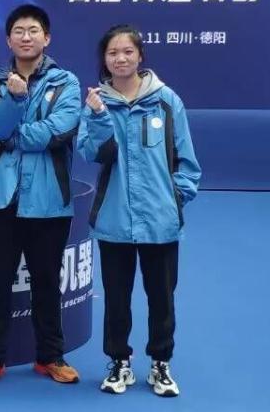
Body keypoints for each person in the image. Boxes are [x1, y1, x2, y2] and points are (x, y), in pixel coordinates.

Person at [78, 24, 201, 397]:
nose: (120, 59)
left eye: (127, 51)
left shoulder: (167, 101)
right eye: (113, 53)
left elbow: (186, 159)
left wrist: (175, 198)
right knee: (116, 299)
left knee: (162, 297)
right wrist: (99, 116)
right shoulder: (97, 103)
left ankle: (161, 363)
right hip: (114, 219)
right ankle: (119, 362)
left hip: (160, 222)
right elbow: (92, 153)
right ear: (104, 59)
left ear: (140, 56)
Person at [0, 4, 82, 387]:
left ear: (46, 38)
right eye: (18, 31)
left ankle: (50, 357)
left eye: (33, 30)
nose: (26, 36)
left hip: (49, 202)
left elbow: (58, 130)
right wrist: (15, 100)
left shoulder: (66, 83)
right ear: (8, 40)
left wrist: (10, 136)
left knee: (47, 282)